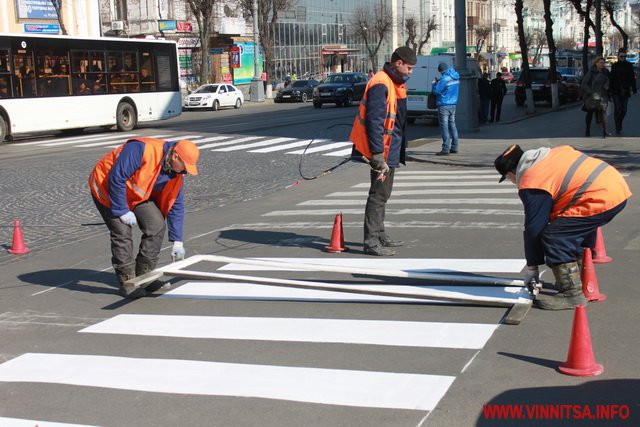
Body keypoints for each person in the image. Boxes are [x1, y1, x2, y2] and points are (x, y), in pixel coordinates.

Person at [494, 144, 631, 310]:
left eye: (508, 178)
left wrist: (532, 267)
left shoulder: (532, 180)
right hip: (615, 186)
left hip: (599, 196)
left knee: (554, 237)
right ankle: (575, 278)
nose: (512, 181)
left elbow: (534, 227)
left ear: (511, 172)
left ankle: (571, 293)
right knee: (566, 228)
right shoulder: (551, 155)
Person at [89, 138, 200, 298]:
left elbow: (176, 204)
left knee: (156, 226)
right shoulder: (141, 149)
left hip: (134, 194)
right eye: (185, 166)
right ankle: (127, 281)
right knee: (122, 232)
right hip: (106, 189)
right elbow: (117, 177)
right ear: (175, 156)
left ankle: (145, 277)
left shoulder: (176, 172)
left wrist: (177, 241)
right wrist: (121, 211)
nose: (185, 171)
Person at [350, 46, 416, 256]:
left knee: (383, 194)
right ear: (398, 63)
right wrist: (378, 155)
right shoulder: (381, 83)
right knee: (378, 195)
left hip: (391, 149)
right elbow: (375, 121)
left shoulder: (394, 83)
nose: (410, 72)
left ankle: (380, 234)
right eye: (409, 68)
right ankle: (371, 242)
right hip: (382, 151)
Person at [432, 62, 460, 155]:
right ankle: (455, 147)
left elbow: (436, 91)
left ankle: (445, 149)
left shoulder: (444, 78)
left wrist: (434, 84)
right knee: (452, 125)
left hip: (444, 104)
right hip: (453, 104)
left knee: (444, 127)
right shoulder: (456, 76)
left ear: (441, 70)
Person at [609, 47, 637, 135]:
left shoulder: (629, 65)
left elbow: (632, 78)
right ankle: (617, 126)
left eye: (624, 56)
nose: (623, 58)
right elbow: (611, 78)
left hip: (625, 90)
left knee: (624, 110)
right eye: (621, 56)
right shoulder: (614, 66)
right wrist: (610, 90)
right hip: (616, 90)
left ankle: (619, 123)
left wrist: (634, 88)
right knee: (618, 108)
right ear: (618, 56)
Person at [581, 56, 610, 138]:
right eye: (600, 63)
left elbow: (608, 81)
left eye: (603, 63)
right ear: (596, 63)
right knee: (590, 112)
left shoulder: (605, 72)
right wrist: (591, 92)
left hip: (603, 95)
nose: (602, 64)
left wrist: (607, 86)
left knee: (603, 112)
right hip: (592, 96)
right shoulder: (591, 72)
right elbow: (584, 83)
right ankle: (587, 130)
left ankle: (605, 131)